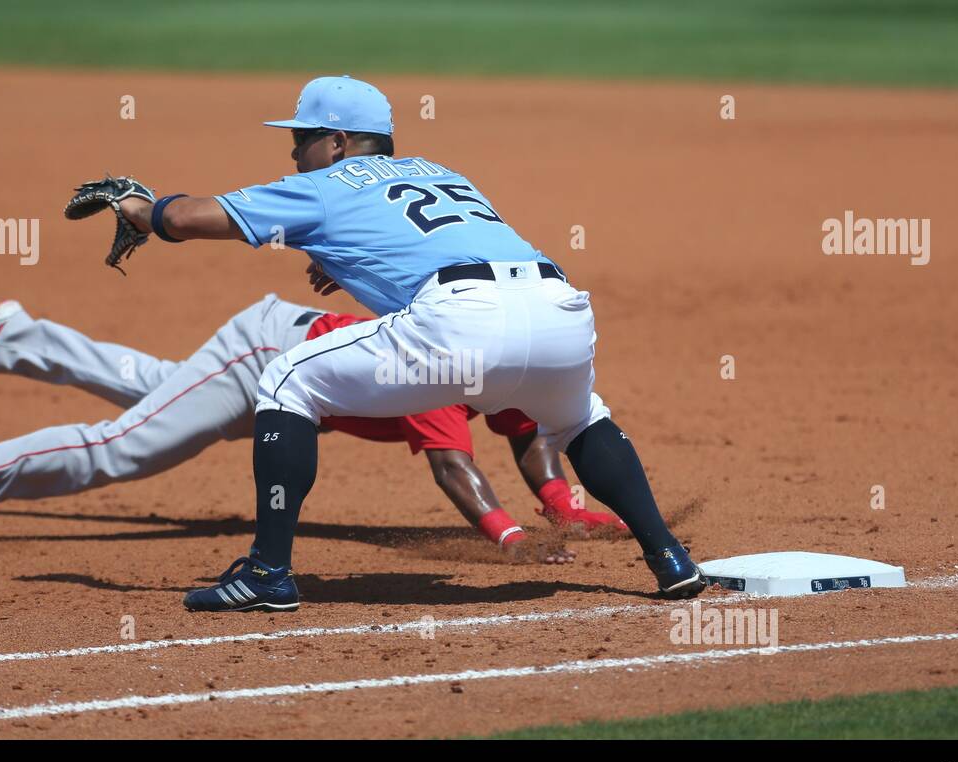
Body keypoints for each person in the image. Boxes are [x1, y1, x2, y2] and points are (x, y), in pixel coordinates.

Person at [102, 75, 705, 611]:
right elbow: (429, 239)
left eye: (304, 134)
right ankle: (670, 559)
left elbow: (185, 219)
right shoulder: (444, 173)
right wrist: (344, 261)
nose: (293, 147)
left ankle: (267, 572)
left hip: (464, 322)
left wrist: (138, 206)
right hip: (559, 310)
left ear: (337, 142)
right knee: (581, 419)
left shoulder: (323, 184)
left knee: (286, 381)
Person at [0, 296, 627, 567]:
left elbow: (525, 433)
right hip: (264, 356)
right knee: (126, 446)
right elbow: (452, 470)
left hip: (295, 384)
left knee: (159, 390)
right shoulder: (437, 366)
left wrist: (560, 504)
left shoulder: (502, 359)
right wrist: (508, 538)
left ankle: (16, 338)